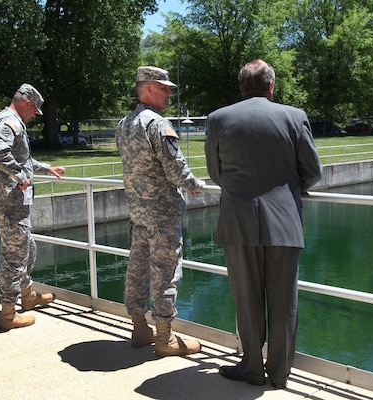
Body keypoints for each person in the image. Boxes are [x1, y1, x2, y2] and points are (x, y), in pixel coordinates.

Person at [205, 60, 322, 389]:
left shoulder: (218, 119)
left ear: (242, 87)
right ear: (271, 87)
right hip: (284, 221)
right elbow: (313, 172)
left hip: (237, 221)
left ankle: (252, 367)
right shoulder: (294, 117)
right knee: (284, 302)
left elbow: (217, 174)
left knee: (246, 297)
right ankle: (279, 374)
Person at [116, 66, 205, 356]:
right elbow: (175, 167)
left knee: (137, 270)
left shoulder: (125, 123)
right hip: (163, 214)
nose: (170, 93)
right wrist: (194, 183)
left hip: (138, 213)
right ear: (148, 88)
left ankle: (140, 329)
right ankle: (165, 338)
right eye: (165, 88)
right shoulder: (156, 123)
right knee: (165, 273)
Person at [0, 83, 66, 331]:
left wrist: (47, 168)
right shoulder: (10, 122)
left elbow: (23, 158)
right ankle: (8, 313)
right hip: (11, 202)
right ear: (27, 103)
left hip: (14, 202)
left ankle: (27, 295)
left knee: (27, 247)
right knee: (14, 257)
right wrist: (19, 177)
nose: (35, 114)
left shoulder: (12, 121)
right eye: (35, 109)